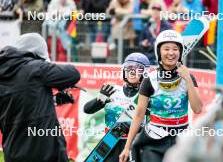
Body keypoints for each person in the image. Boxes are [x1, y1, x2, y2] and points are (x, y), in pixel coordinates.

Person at [119, 30, 203, 162]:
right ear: (159, 52)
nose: (171, 53)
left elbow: (197, 109)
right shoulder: (149, 79)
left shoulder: (189, 77)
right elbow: (139, 114)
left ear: (180, 52)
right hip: (154, 141)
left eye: (175, 49)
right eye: (166, 49)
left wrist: (188, 79)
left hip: (181, 141)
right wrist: (127, 147)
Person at [0, 33, 80, 162]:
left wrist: (52, 100)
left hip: (14, 152)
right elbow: (73, 74)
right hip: (44, 152)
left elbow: (18, 106)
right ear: (36, 54)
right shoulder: (36, 68)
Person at [84, 52, 150, 162]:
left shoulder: (147, 96)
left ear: (145, 73)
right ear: (124, 71)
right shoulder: (113, 91)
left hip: (134, 145)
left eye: (138, 69)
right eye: (129, 68)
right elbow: (86, 110)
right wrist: (99, 100)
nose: (132, 72)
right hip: (109, 144)